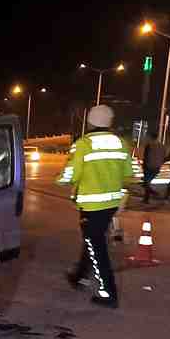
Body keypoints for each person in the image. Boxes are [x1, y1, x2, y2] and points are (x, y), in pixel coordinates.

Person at [57, 105, 133, 309]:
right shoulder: (121, 143)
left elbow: (70, 174)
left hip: (91, 204)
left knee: (96, 245)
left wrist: (61, 180)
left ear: (90, 122)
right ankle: (79, 276)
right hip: (112, 203)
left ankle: (108, 292)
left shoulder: (83, 144)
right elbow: (129, 172)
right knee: (92, 239)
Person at [140, 132, 165, 203]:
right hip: (157, 167)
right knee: (147, 182)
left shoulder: (149, 145)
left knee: (146, 183)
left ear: (151, 137)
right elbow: (163, 156)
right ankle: (146, 199)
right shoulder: (162, 146)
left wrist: (143, 165)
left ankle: (153, 193)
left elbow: (146, 156)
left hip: (149, 166)